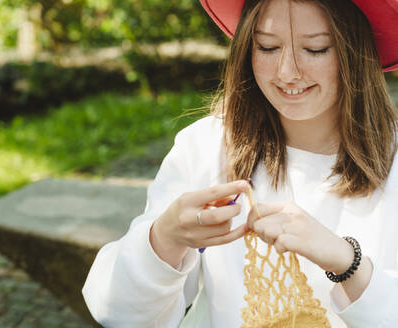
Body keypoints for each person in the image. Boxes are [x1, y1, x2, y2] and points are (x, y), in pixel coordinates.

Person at [82, 0, 398, 326]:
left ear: (356, 52)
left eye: (315, 49)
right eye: (268, 46)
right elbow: (117, 312)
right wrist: (164, 239)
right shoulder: (206, 148)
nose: (287, 71)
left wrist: (348, 263)